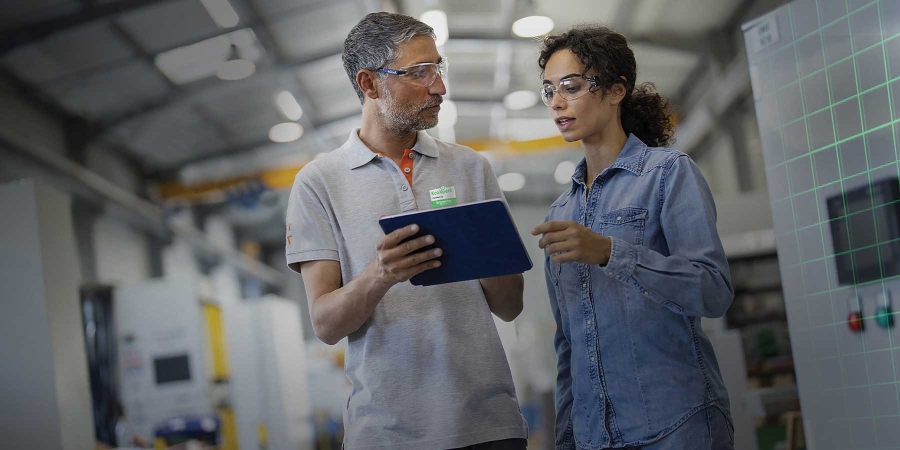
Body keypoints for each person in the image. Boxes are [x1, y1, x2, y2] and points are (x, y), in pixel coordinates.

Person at [285, 12, 528, 450]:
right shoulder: (319, 182)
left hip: (490, 427)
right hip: (386, 434)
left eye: (438, 67)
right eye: (419, 73)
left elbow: (510, 307)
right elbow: (324, 324)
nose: (439, 87)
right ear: (369, 84)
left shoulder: (470, 167)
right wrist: (382, 273)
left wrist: (483, 250)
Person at [530, 26, 735, 449]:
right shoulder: (560, 213)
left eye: (570, 86)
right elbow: (568, 342)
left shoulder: (668, 174)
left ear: (615, 90)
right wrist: (567, 438)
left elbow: (713, 290)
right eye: (548, 90)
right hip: (594, 438)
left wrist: (610, 252)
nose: (557, 102)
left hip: (677, 426)